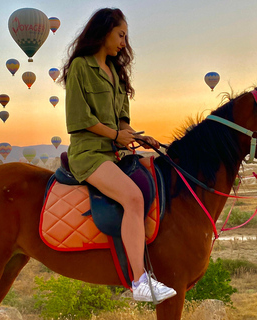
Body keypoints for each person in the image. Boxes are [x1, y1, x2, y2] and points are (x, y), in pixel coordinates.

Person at [61, 8, 176, 303]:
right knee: (133, 197)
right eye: (121, 35)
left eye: (126, 36)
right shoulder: (80, 67)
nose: (124, 43)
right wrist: (115, 136)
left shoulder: (116, 72)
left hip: (115, 151)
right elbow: (78, 118)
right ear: (104, 32)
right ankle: (139, 281)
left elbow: (122, 121)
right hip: (89, 153)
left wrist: (137, 136)